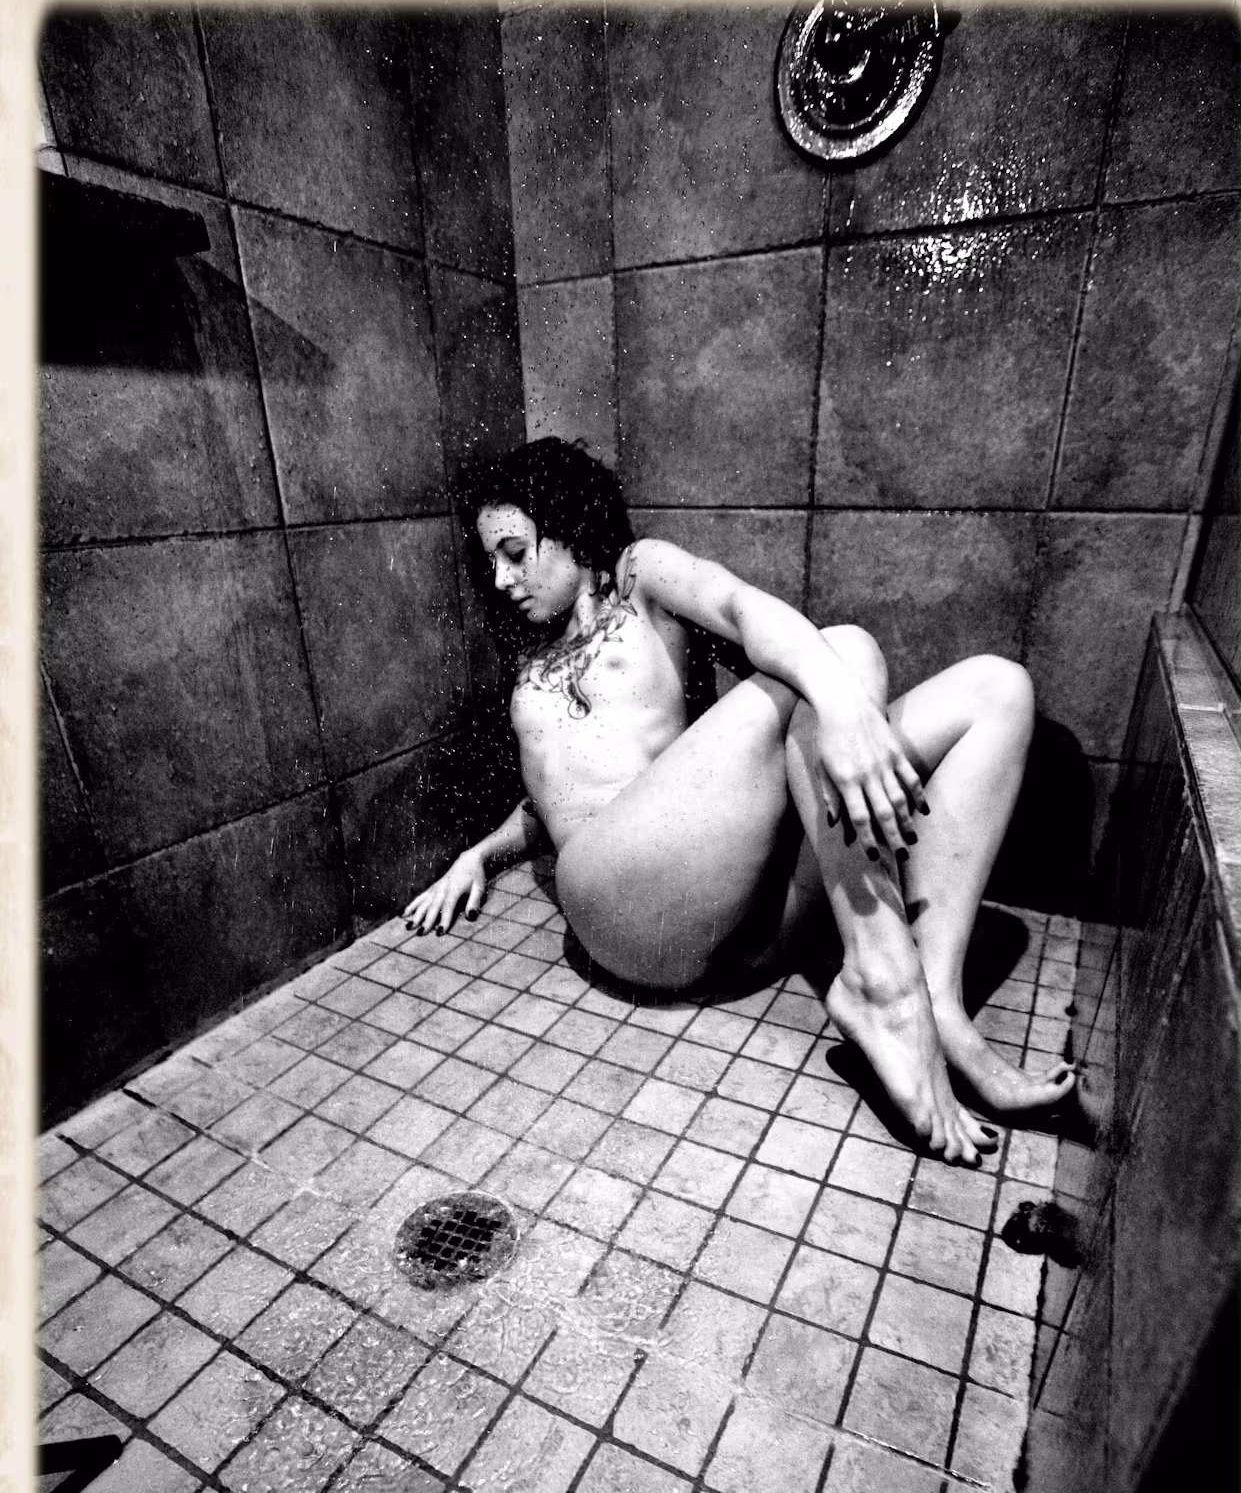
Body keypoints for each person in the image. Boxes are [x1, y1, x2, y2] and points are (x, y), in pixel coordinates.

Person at [404, 439, 1073, 1166]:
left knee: (997, 690)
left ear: (569, 527)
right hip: (622, 912)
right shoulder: (530, 656)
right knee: (843, 654)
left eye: (514, 553)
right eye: (491, 563)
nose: (501, 580)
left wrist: (842, 712)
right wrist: (479, 855)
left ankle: (932, 1000)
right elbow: (552, 799)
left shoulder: (639, 576)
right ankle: (886, 989)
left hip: (740, 920)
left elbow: (739, 605)